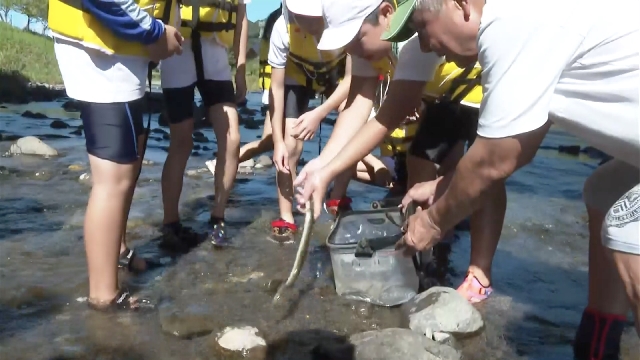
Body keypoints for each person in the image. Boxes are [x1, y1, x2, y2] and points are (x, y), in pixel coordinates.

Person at [383, 0, 637, 359]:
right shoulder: (526, 23)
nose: (425, 46)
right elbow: (518, 146)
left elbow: (493, 162)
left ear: (461, 6)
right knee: (605, 192)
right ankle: (597, 347)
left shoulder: (510, 21)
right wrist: (440, 186)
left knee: (629, 229)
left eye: (424, 28)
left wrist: (433, 222)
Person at [294, 0, 505, 302]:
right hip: (438, 93)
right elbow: (359, 106)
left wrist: (329, 170)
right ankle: (428, 252)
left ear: (385, 14)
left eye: (355, 39)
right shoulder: (375, 43)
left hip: (472, 84)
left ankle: (478, 273)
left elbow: (389, 115)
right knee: (424, 165)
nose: (352, 52)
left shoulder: (413, 36)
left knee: (486, 167)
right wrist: (323, 166)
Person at [48, 0, 182, 309]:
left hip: (116, 49)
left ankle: (117, 258)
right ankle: (104, 296)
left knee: (124, 170)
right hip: (101, 52)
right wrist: (155, 31)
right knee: (113, 179)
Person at [160, 0, 249, 247]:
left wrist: (240, 69)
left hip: (215, 55)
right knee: (181, 141)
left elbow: (241, 15)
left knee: (232, 138)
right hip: (178, 50)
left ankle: (217, 218)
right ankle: (170, 224)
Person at [267, 0, 351, 241]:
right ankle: (287, 215)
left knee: (349, 129)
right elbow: (277, 89)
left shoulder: (343, 21)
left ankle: (336, 197)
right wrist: (277, 143)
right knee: (290, 144)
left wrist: (320, 113)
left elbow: (351, 80)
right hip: (298, 72)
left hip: (335, 72)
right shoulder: (282, 29)